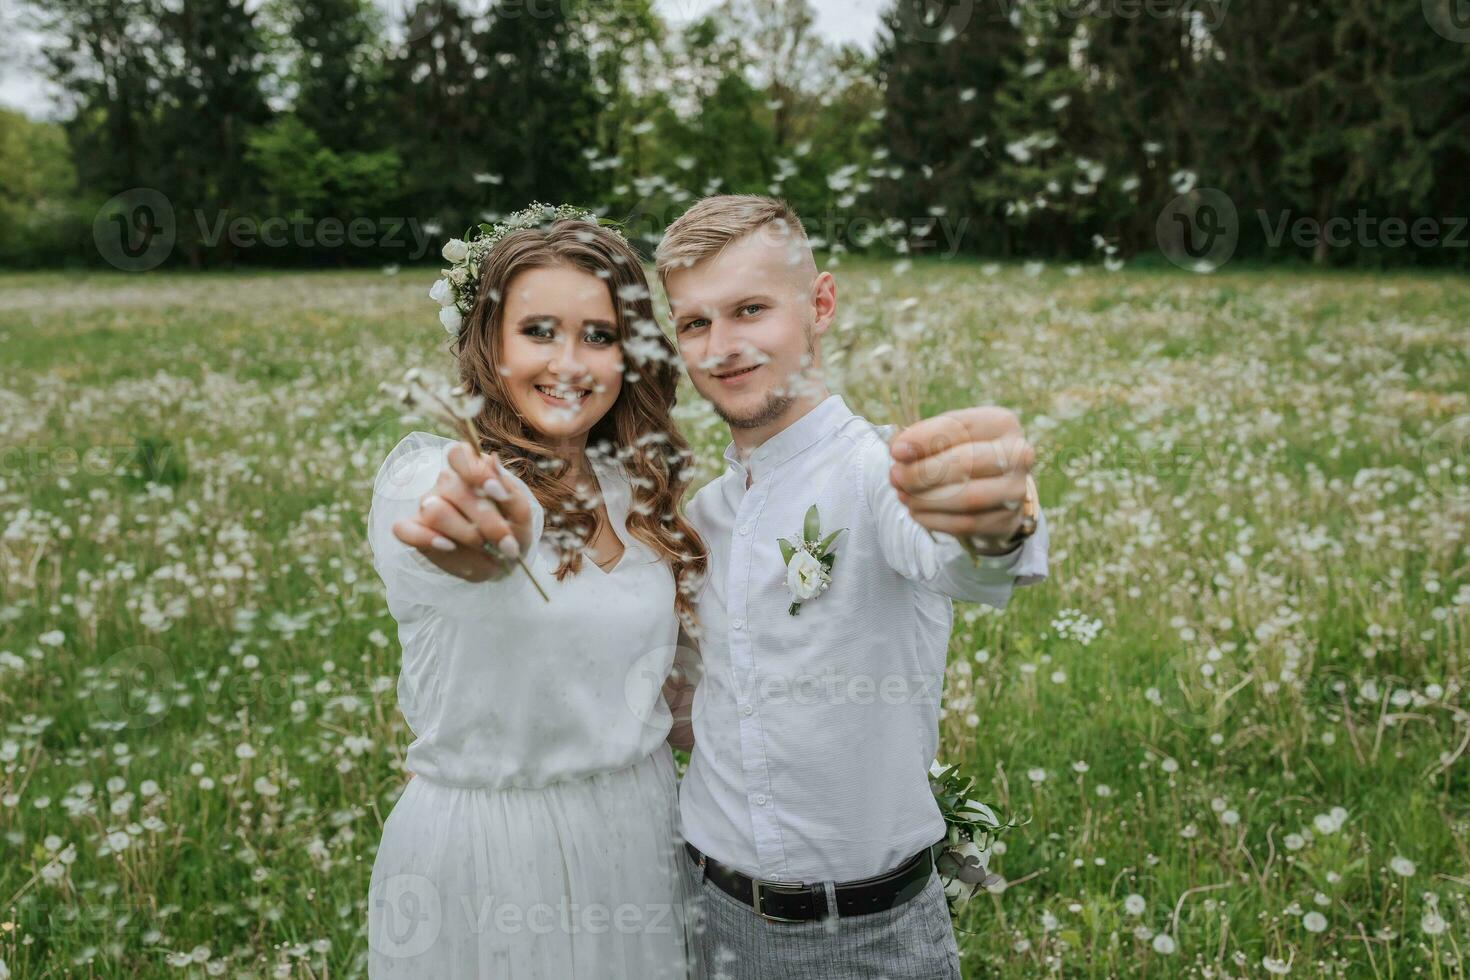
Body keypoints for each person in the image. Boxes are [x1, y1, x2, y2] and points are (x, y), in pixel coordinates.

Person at [656, 195, 1050, 979]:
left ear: (820, 304)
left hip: (867, 937)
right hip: (706, 911)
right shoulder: (703, 517)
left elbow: (965, 553)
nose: (723, 346)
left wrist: (997, 518)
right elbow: (698, 710)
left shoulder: (879, 474)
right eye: (696, 323)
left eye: (751, 310)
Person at [366, 207, 707, 979]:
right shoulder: (436, 482)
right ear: (489, 344)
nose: (570, 362)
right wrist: (492, 542)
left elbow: (682, 700)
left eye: (599, 335)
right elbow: (459, 547)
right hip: (496, 853)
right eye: (539, 331)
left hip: (643, 834)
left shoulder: (640, 492)